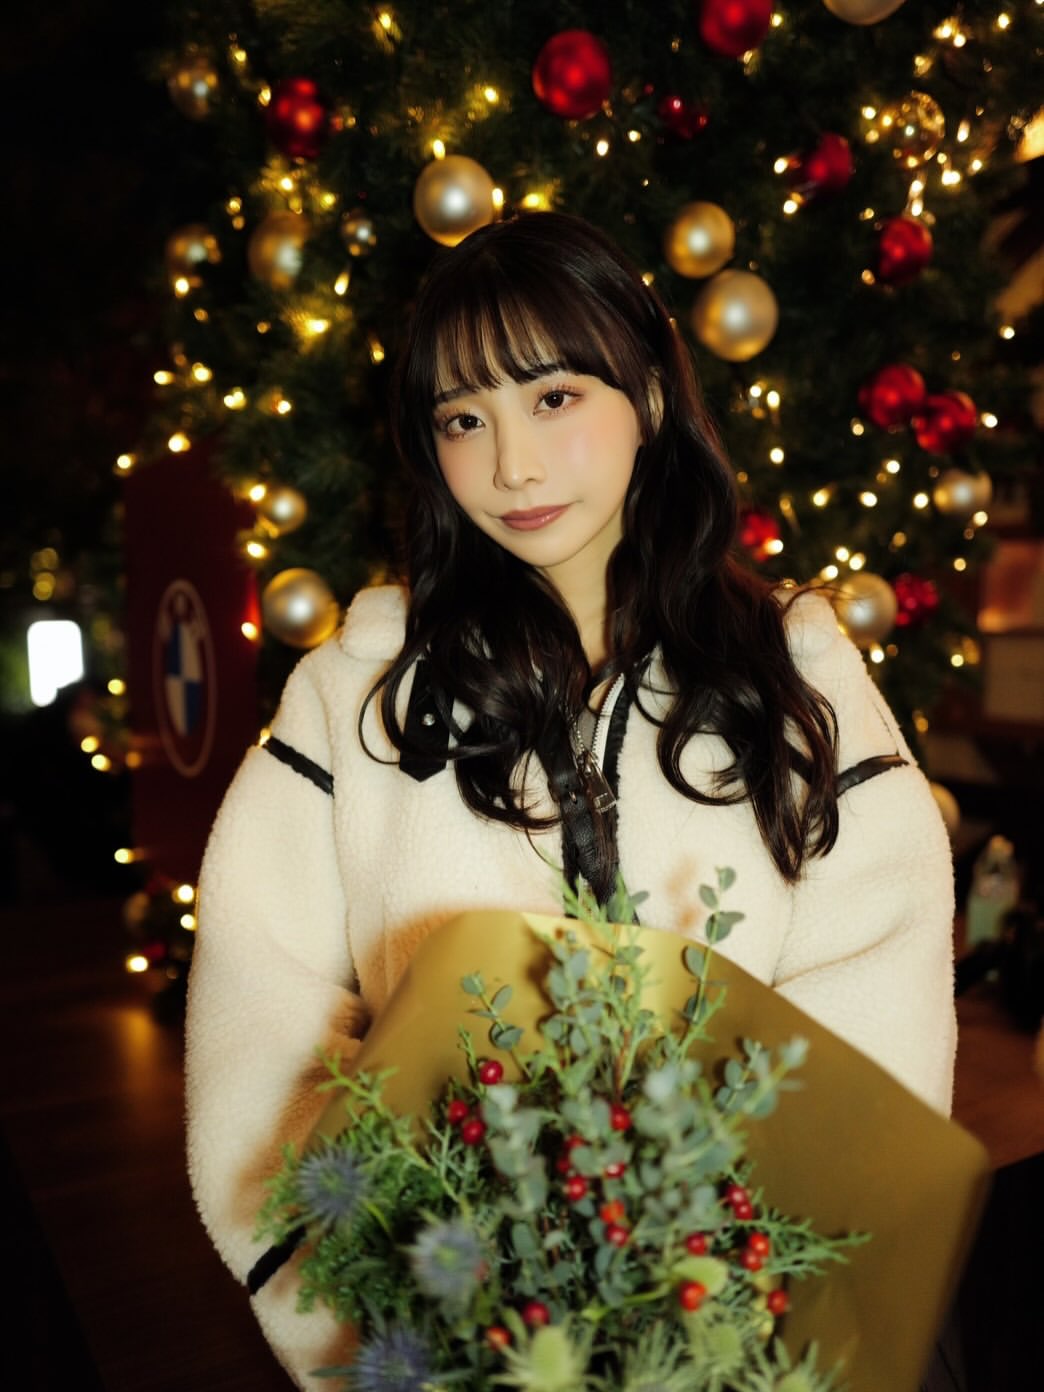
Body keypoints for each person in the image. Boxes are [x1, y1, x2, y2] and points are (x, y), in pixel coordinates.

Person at [185, 212, 956, 1388]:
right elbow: (263, 1019)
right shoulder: (359, 700)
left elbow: (878, 986)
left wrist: (723, 1293)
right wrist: (395, 1312)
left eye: (554, 398)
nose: (512, 466)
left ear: (646, 394)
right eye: (463, 418)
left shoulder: (795, 674)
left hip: (759, 1328)